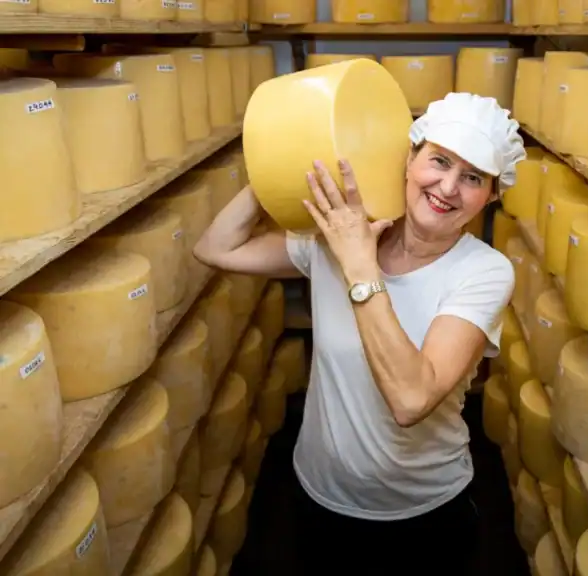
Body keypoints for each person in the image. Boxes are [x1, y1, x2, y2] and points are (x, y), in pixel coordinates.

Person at [194, 92, 525, 573]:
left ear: (491, 195)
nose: (448, 187)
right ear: (408, 159)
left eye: (472, 177)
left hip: (422, 514)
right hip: (318, 493)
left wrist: (359, 266)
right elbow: (216, 248)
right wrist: (281, 163)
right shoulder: (341, 238)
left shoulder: (484, 272)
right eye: (439, 161)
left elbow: (411, 399)